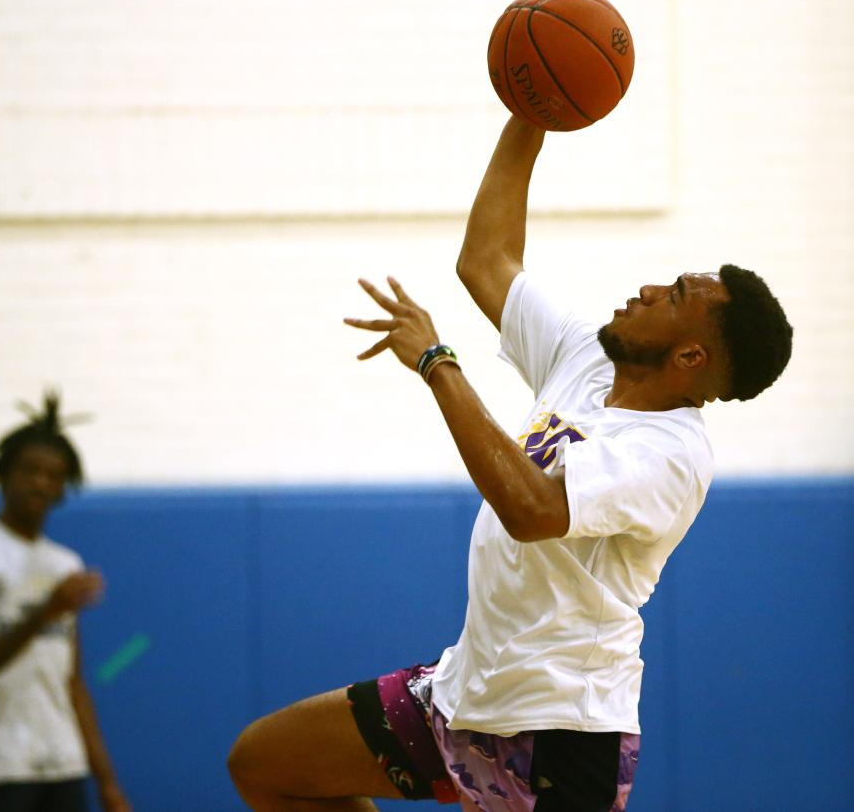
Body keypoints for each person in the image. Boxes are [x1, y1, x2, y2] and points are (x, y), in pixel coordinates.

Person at [227, 117, 793, 811]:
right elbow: (487, 260)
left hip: (559, 735)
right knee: (264, 763)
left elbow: (530, 510)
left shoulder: (671, 454)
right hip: (463, 694)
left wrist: (439, 364)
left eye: (672, 295)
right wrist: (532, 112)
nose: (648, 288)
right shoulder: (589, 355)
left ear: (691, 359)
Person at [0, 392, 131, 812]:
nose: (42, 482)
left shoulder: (64, 564)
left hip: (62, 763)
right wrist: (45, 611)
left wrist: (108, 782)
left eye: (54, 475)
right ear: (5, 474)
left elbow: (73, 682)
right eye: (31, 470)